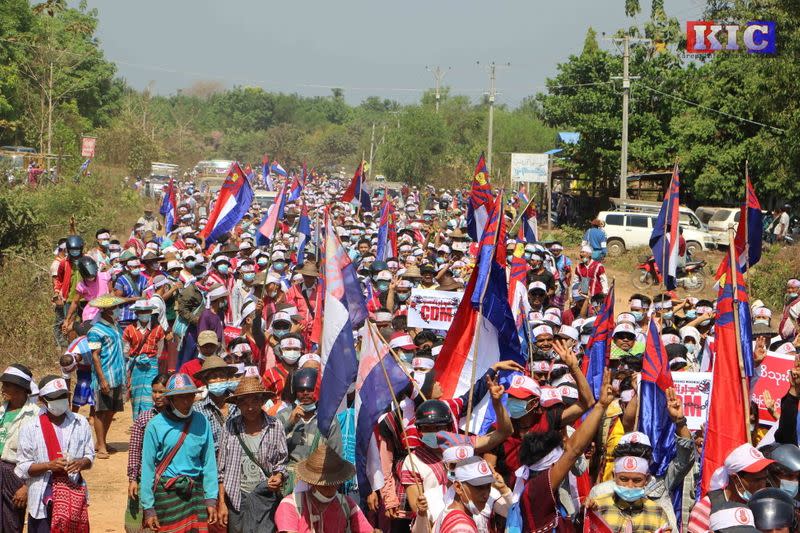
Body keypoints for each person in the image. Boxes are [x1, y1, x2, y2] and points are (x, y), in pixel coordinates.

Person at [140, 373, 219, 532]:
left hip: (195, 494)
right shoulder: (154, 425)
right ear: (171, 400)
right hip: (167, 495)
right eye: (180, 397)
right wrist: (148, 507)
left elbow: (209, 463)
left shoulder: (202, 421)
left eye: (189, 396)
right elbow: (147, 468)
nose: (186, 402)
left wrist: (211, 499)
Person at [15, 376, 94, 533]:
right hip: (42, 496)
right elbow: (23, 466)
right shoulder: (30, 427)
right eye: (55, 398)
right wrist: (48, 466)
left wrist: (80, 463)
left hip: (73, 495)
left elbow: (90, 456)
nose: (60, 400)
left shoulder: (80, 422)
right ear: (43, 400)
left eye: (63, 396)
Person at [217, 377, 288, 533]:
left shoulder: (275, 426)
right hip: (237, 499)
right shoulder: (229, 426)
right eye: (244, 403)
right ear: (238, 404)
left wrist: (279, 477)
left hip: (265, 499)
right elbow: (220, 471)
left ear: (262, 401)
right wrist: (221, 503)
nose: (250, 407)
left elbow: (282, 464)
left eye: (254, 401)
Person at [274, 444, 374, 533]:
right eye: (324, 484)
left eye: (333, 482)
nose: (330, 486)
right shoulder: (290, 505)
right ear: (311, 482)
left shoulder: (347, 504)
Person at [125, 373, 170, 533]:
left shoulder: (178, 419)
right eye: (154, 391)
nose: (157, 396)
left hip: (168, 482)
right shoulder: (144, 419)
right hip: (145, 479)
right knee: (137, 526)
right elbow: (135, 451)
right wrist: (133, 479)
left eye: (161, 392)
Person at [86, 294, 128, 459]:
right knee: (101, 411)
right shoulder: (95, 331)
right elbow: (95, 356)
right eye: (115, 308)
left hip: (118, 375)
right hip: (105, 376)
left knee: (111, 410)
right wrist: (102, 379)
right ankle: (101, 445)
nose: (117, 311)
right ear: (106, 311)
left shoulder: (116, 327)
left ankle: (102, 441)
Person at [0, 365, 39, 532]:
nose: (3, 389)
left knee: (12, 523)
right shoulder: (2, 409)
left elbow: (39, 456)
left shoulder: (36, 415)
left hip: (16, 473)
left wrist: (26, 486)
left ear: (22, 389)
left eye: (7, 385)